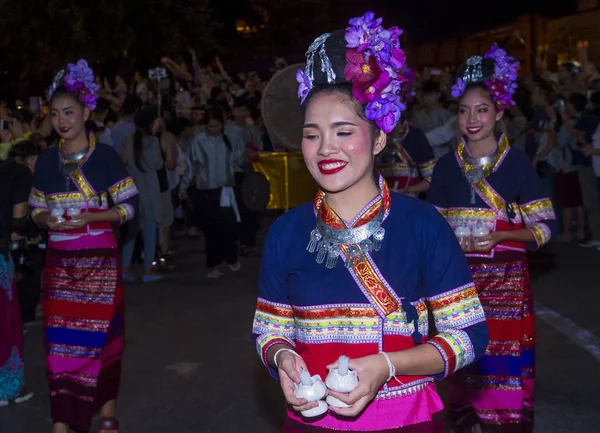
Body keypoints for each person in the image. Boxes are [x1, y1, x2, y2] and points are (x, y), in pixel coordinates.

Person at [252, 13, 489, 433]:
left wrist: (387, 364)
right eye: (312, 134)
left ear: (379, 137)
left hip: (405, 421)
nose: (326, 148)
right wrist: (282, 357)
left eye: (344, 131)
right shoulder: (285, 232)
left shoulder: (422, 223)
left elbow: (469, 336)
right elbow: (269, 330)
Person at [429, 45, 558, 433]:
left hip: (507, 283)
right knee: (463, 359)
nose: (472, 119)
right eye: (464, 111)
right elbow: (433, 230)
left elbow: (546, 225)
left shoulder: (515, 163)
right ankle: (469, 421)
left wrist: (502, 234)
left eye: (482, 110)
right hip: (459, 284)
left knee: (502, 361)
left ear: (499, 113)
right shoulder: (446, 167)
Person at [29, 59, 138, 433]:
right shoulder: (45, 161)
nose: (62, 120)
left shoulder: (105, 157)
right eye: (56, 113)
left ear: (86, 112)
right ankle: (63, 423)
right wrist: (45, 219)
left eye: (70, 112)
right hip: (60, 267)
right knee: (60, 349)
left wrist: (93, 218)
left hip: (100, 267)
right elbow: (35, 209)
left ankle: (107, 414)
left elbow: (129, 207)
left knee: (103, 344)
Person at [180, 108, 242, 278]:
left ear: (222, 124)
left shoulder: (231, 138)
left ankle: (231, 257)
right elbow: (190, 167)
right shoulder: (198, 141)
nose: (214, 130)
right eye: (210, 127)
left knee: (228, 227)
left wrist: (241, 165)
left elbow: (239, 160)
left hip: (225, 190)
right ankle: (215, 264)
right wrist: (183, 187)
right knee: (211, 230)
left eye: (217, 126)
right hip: (205, 191)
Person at [0, 141, 37, 407]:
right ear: (31, 159)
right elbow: (18, 222)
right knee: (6, 321)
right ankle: (8, 388)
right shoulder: (23, 175)